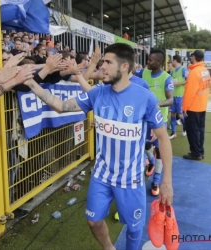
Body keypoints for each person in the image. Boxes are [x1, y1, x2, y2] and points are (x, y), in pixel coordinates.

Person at [13, 43, 173, 250]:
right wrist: (33, 85)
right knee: (93, 221)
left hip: (130, 179)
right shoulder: (97, 93)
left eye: (107, 62)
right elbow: (61, 106)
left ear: (124, 66)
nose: (102, 67)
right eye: (102, 62)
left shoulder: (145, 97)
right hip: (102, 175)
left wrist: (166, 181)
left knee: (134, 229)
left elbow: (163, 138)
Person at [135, 49, 173, 196]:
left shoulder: (166, 78)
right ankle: (150, 161)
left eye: (150, 60)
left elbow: (170, 100)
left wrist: (156, 105)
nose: (147, 62)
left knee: (160, 152)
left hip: (159, 121)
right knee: (145, 145)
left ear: (158, 62)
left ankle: (156, 181)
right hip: (143, 121)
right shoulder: (143, 72)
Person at [182, 50, 210, 160]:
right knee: (200, 130)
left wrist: (185, 108)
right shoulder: (205, 70)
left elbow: (190, 93)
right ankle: (200, 151)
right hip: (202, 106)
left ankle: (196, 153)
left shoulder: (194, 72)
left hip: (193, 107)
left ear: (194, 57)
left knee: (193, 131)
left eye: (191, 56)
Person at [169, 55, 188, 139]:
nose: (171, 62)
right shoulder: (173, 71)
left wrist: (178, 83)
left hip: (180, 95)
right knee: (172, 113)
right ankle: (173, 132)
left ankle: (185, 127)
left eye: (172, 60)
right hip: (173, 95)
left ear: (175, 60)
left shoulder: (183, 69)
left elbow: (188, 80)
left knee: (180, 115)